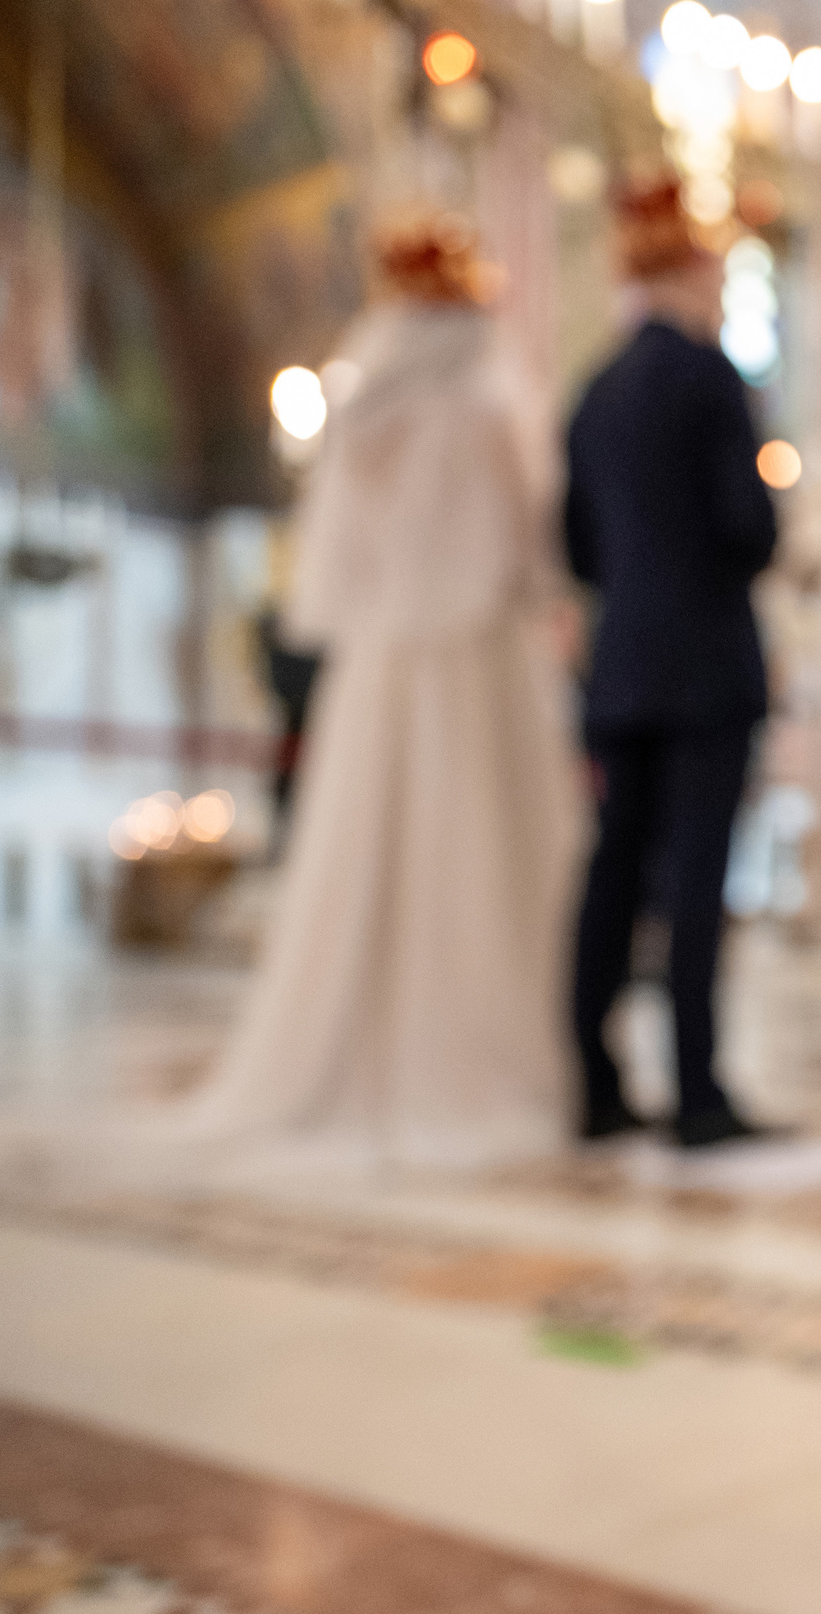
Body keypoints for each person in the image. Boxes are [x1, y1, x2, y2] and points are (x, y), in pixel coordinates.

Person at [185, 213, 580, 1168]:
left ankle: (367, 1048)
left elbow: (335, 565)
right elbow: (528, 553)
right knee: (478, 859)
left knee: (368, 862)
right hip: (476, 664)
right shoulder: (487, 402)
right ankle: (488, 1061)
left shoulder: (361, 411)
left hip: (380, 672)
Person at [566, 177, 781, 1146]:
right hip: (704, 669)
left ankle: (595, 1084)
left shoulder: (595, 392)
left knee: (614, 873)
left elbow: (574, 547)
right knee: (698, 880)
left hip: (620, 669)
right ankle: (696, 1090)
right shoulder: (710, 378)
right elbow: (749, 526)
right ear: (693, 277)